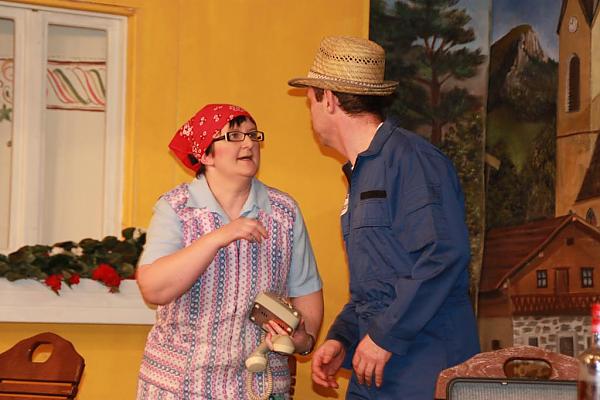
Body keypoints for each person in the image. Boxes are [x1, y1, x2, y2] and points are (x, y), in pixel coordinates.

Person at [288, 36, 480, 399]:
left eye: (310, 99)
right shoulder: (362, 173)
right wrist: (342, 339)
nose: (310, 112)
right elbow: (374, 286)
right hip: (374, 370)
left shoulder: (413, 160)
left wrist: (383, 336)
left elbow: (443, 255)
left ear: (328, 99)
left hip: (424, 370)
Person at [135, 104, 324, 400]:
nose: (249, 143)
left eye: (253, 135)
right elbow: (153, 288)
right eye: (234, 136)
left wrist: (302, 339)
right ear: (205, 154)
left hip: (259, 387)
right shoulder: (176, 208)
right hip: (179, 387)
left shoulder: (284, 211)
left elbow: (307, 292)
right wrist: (218, 237)